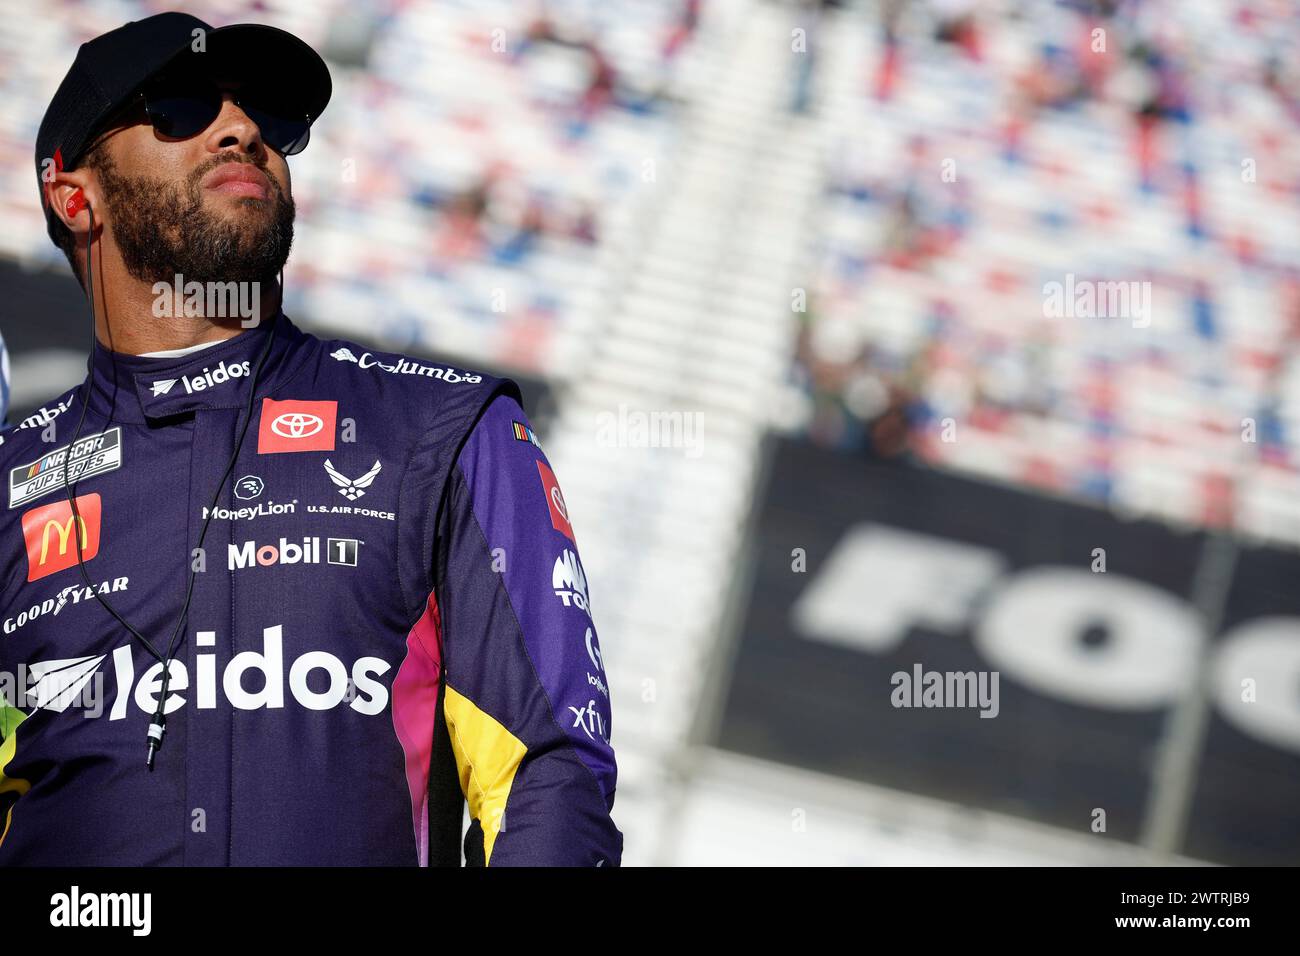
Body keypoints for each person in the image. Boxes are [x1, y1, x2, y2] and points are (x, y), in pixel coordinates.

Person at [0, 12, 621, 866]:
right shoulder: (11, 481)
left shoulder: (442, 434)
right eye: (179, 107)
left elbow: (552, 781)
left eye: (268, 118)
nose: (243, 129)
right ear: (76, 196)